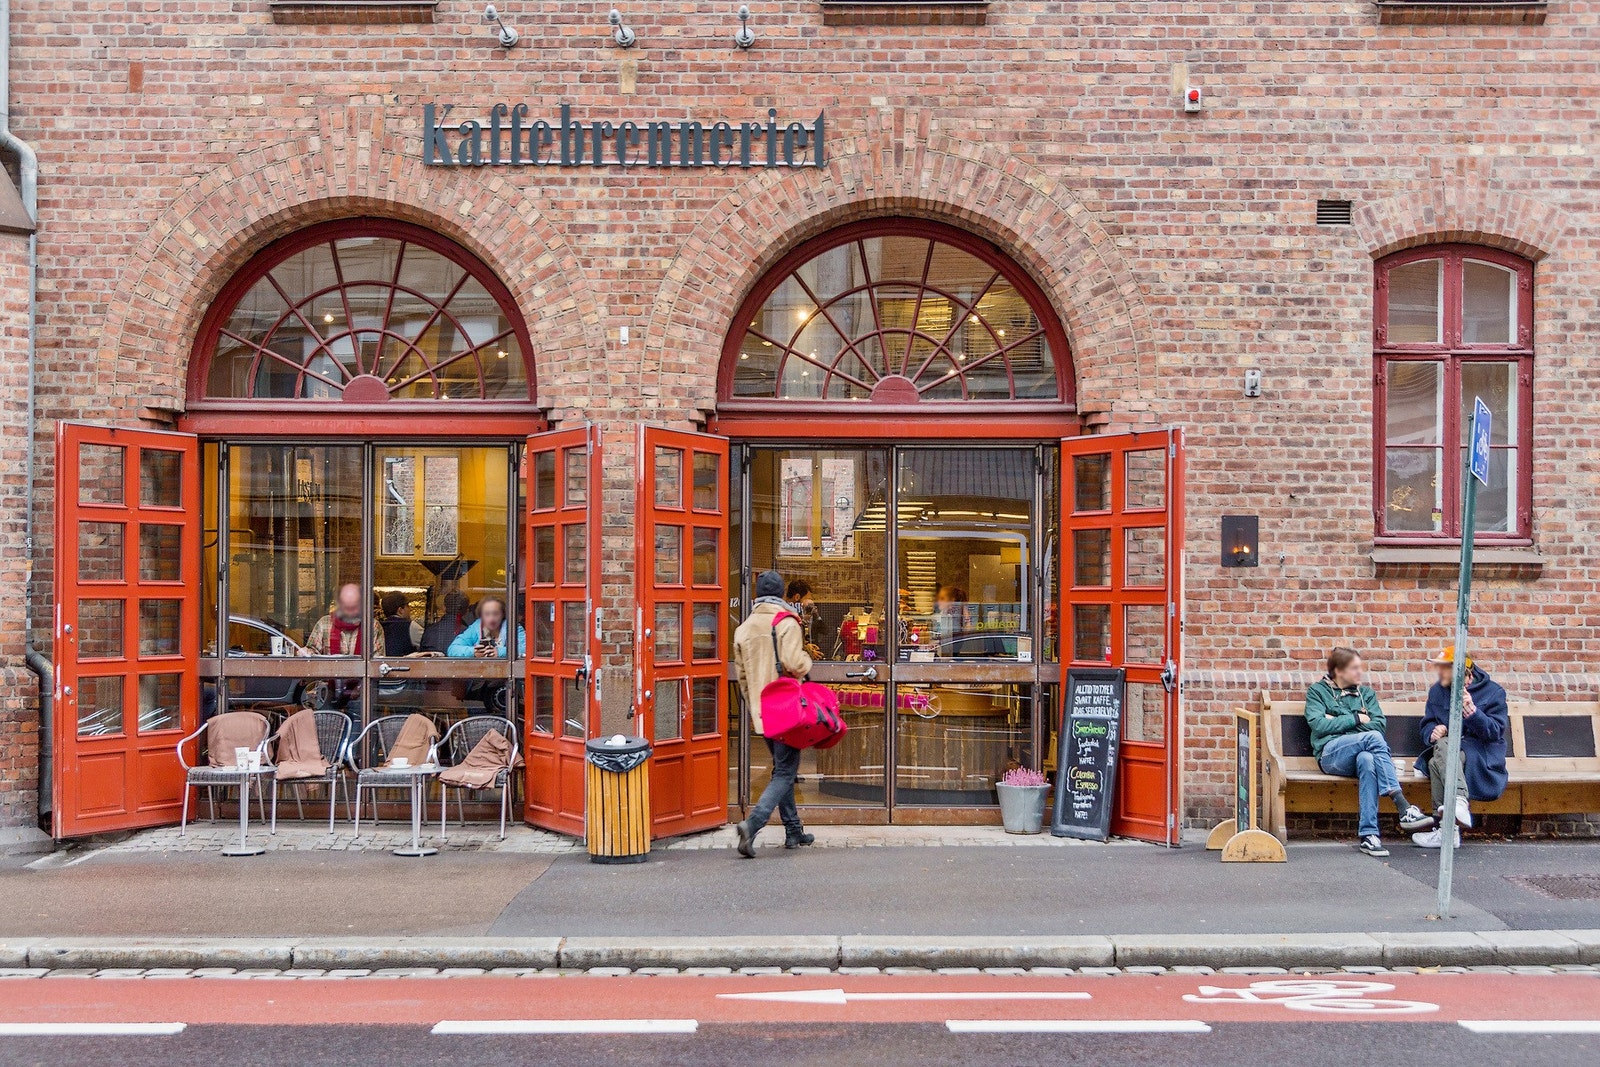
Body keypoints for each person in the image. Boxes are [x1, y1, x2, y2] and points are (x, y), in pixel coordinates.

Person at [1305, 647, 1433, 857]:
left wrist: (1336, 721)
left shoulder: (1366, 694)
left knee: (1367, 759)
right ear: (1338, 670)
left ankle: (1369, 836)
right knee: (1371, 739)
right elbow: (1318, 725)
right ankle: (1402, 805)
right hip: (1330, 755)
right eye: (1354, 668)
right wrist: (1356, 719)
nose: (1359, 673)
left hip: (1359, 754)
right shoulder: (1318, 692)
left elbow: (1379, 725)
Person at [731, 569, 814, 857]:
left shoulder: (743, 629)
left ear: (756, 595)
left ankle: (794, 831)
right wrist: (807, 661)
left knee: (782, 769)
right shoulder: (786, 622)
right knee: (785, 772)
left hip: (762, 712)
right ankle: (752, 825)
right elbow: (793, 661)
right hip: (787, 710)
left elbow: (741, 678)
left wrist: (755, 703)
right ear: (781, 594)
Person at [1411, 648, 1509, 849]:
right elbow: (1427, 724)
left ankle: (1445, 830)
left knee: (1437, 758)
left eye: (1445, 669)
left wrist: (1473, 713)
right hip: (1448, 750)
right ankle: (1458, 804)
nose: (1439, 673)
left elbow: (1494, 732)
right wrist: (1432, 731)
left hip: (1480, 755)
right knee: (1437, 755)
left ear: (1464, 673)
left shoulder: (1493, 692)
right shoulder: (1437, 691)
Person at [300, 583, 386, 657]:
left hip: (361, 675)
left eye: (354, 605)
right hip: (329, 674)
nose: (350, 610)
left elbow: (377, 661)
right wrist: (306, 652)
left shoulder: (372, 626)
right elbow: (312, 652)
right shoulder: (324, 623)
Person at [447, 595, 526, 658]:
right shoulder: (476, 627)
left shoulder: (513, 627)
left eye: (496, 614)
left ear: (503, 614)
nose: (491, 619)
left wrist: (500, 652)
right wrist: (473, 652)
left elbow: (526, 649)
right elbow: (452, 649)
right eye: (487, 614)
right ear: (481, 615)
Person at [379, 591, 422, 657]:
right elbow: (427, 643)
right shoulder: (410, 626)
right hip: (405, 666)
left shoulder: (379, 627)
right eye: (408, 606)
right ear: (400, 610)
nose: (409, 610)